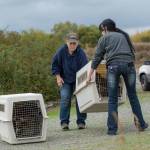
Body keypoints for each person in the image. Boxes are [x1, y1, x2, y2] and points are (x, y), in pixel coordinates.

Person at [87, 19, 148, 135]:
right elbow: (131, 53)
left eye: (101, 30)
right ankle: (141, 124)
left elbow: (97, 57)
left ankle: (112, 129)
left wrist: (90, 74)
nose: (101, 33)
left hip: (113, 68)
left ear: (105, 28)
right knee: (133, 96)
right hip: (129, 66)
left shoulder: (104, 38)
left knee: (113, 99)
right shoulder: (123, 36)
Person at [51, 32, 87, 130]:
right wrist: (58, 77)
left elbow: (85, 68)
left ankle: (81, 122)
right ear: (67, 42)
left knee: (80, 98)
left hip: (78, 80)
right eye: (70, 43)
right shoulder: (61, 51)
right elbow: (55, 65)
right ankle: (64, 122)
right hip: (64, 80)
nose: (72, 45)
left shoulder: (81, 53)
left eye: (74, 43)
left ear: (77, 43)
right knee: (65, 98)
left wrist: (83, 83)